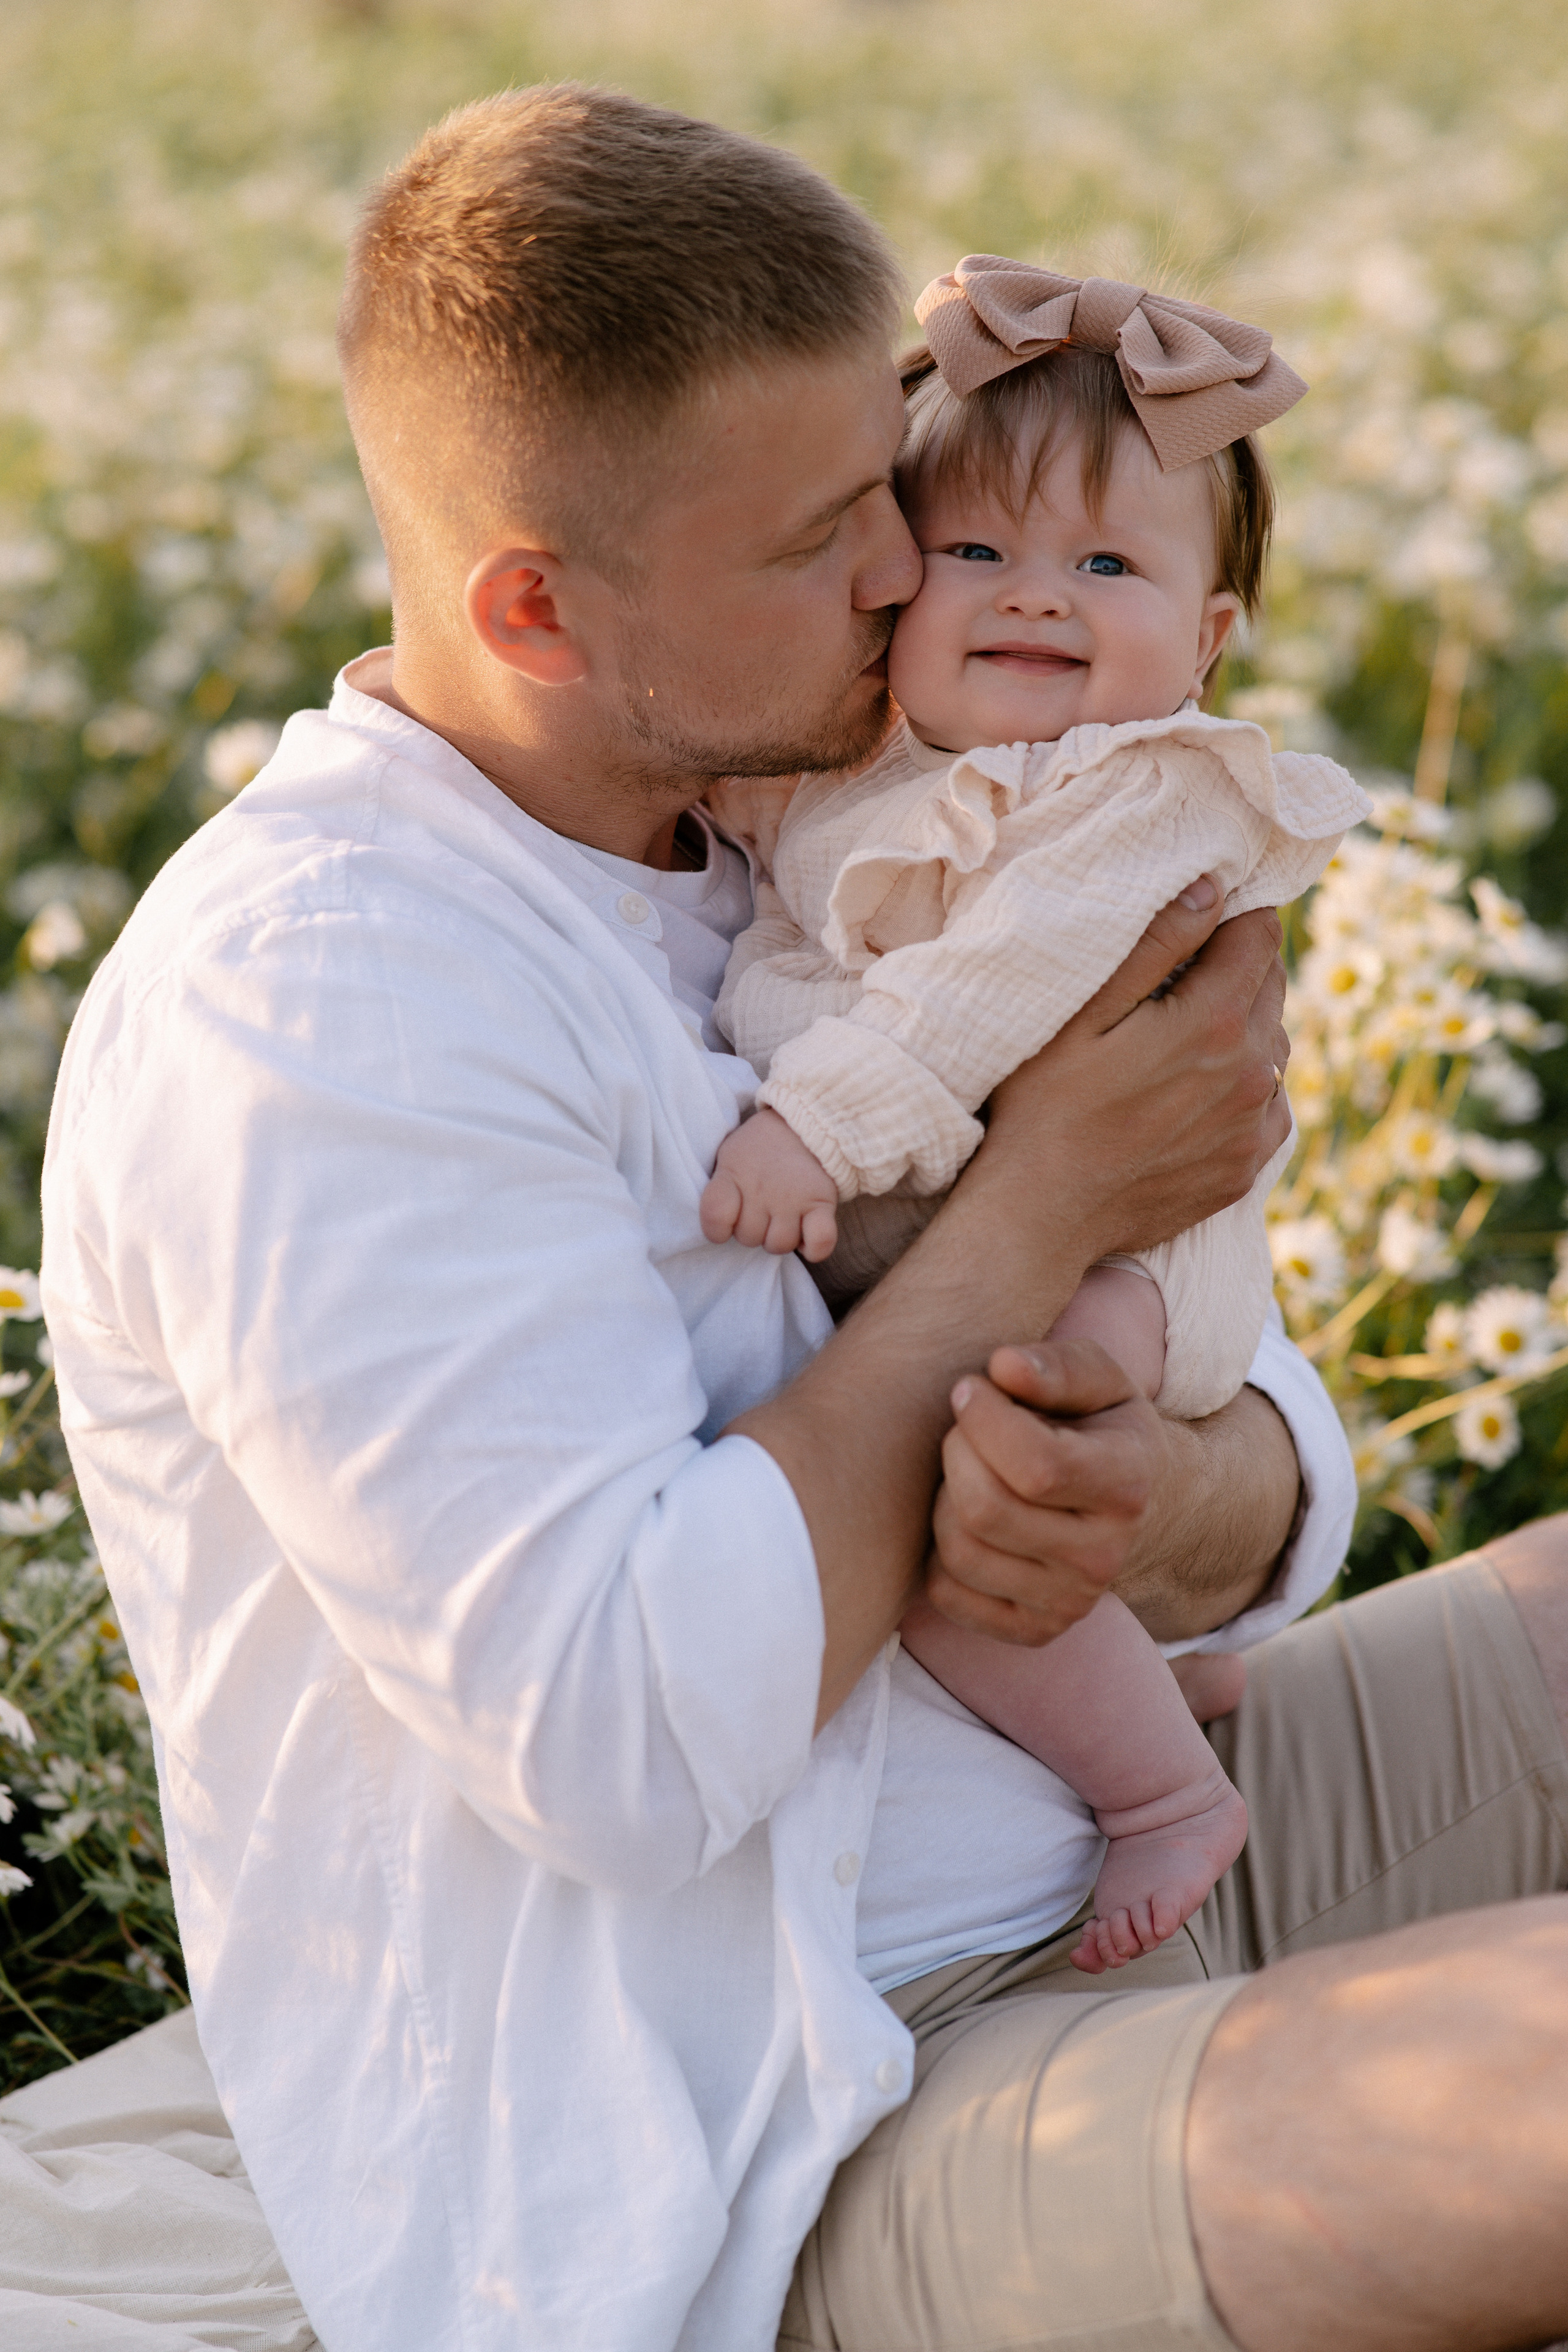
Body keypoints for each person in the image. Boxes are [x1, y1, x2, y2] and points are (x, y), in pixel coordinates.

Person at [36, 84, 1568, 2352]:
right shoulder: (332, 1004)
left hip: (1125, 1816)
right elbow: (627, 1745)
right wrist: (1043, 1196)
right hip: (785, 2123)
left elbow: (1245, 1455)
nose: (906, 570)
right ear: (535, 610)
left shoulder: (804, 825)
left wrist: (1158, 1481)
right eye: (827, 534)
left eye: (894, 481)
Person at [700, 258, 1370, 1975]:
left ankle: (1156, 1789)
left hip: (1145, 1260)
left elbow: (979, 993)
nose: (1038, 600)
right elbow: (773, 836)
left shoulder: (1142, 798)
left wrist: (820, 1129)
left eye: (1107, 566)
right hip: (1011, 1200)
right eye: (979, 553)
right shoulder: (886, 761)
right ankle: (1138, 1673)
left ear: (1208, 641)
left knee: (969, 1468)